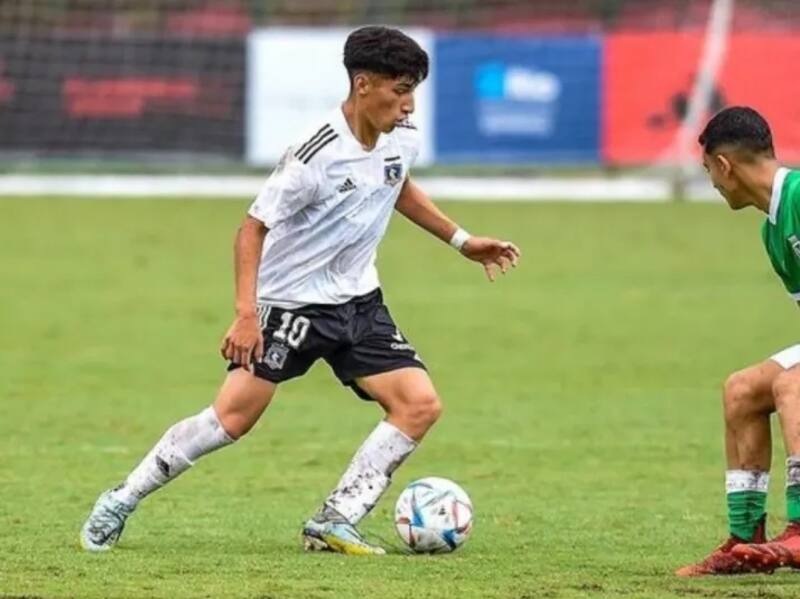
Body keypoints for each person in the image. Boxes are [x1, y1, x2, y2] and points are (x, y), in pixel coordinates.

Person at [79, 25, 520, 555]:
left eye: (413, 92)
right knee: (229, 421)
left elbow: (396, 182)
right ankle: (122, 499)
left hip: (360, 304)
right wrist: (246, 315)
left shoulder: (403, 135)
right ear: (363, 85)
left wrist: (461, 239)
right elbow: (251, 227)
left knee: (419, 405)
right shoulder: (315, 155)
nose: (408, 105)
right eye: (400, 90)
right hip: (291, 308)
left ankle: (337, 517)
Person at [677, 106, 800, 576]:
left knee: (793, 386)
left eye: (708, 169)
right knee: (743, 390)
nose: (710, 181)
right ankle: (745, 539)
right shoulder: (772, 231)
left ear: (724, 166)